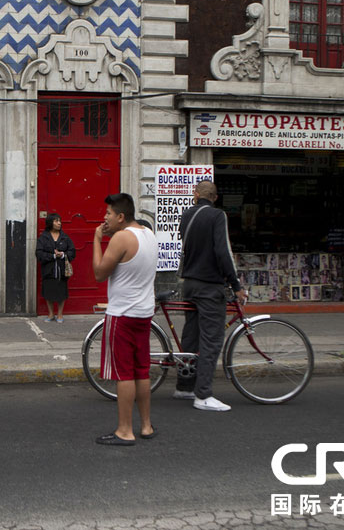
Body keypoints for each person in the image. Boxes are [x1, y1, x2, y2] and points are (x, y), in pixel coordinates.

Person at [174, 180, 247, 412]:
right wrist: (235, 284)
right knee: (211, 340)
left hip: (190, 284)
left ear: (195, 195)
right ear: (215, 197)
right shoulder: (218, 216)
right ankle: (203, 395)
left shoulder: (187, 215)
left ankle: (184, 386)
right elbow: (223, 251)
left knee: (191, 337)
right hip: (209, 287)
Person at [92, 192, 158, 446]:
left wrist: (98, 240)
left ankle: (124, 430)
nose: (105, 217)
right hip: (144, 312)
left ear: (120, 216)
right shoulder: (148, 234)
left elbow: (99, 273)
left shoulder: (120, 238)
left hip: (122, 314)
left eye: (109, 213)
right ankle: (146, 425)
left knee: (124, 373)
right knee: (142, 370)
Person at [36, 213, 76, 322]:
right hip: (48, 270)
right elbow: (39, 253)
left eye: (60, 221)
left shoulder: (65, 237)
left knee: (61, 292)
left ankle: (60, 315)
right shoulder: (43, 238)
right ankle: (50, 314)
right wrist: (52, 256)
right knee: (48, 292)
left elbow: (72, 252)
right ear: (50, 223)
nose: (59, 223)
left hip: (62, 269)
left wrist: (62, 255)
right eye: (56, 221)